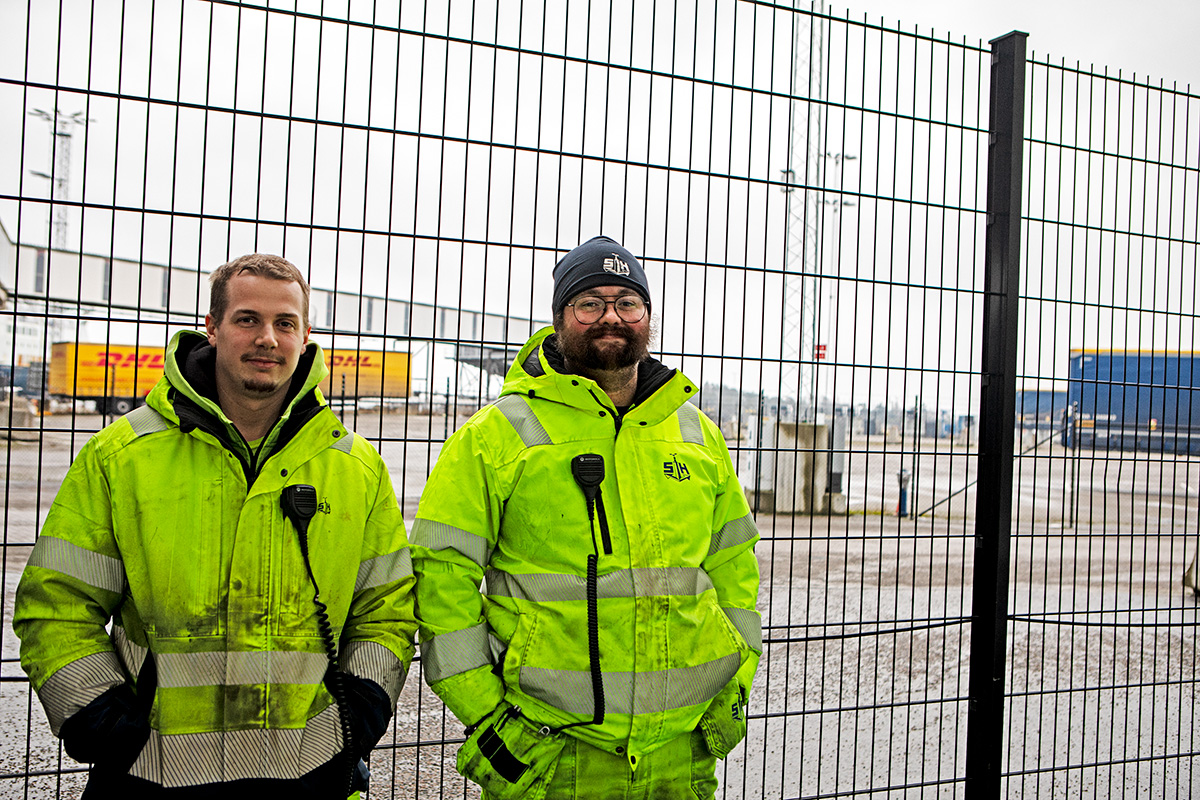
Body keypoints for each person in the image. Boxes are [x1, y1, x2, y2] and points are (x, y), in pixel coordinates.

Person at [13, 254, 417, 798]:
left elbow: (384, 610)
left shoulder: (355, 469)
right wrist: (98, 718)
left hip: (309, 766)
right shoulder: (122, 456)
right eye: (247, 319)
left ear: (306, 337)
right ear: (212, 329)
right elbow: (57, 603)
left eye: (284, 323)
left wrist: (359, 712)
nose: (267, 339)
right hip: (153, 769)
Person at [410, 235, 762, 799]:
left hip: (680, 754)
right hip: (552, 755)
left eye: (628, 302)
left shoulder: (697, 436)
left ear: (647, 317)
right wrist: (485, 714)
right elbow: (439, 582)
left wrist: (734, 681)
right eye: (589, 303)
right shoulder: (495, 437)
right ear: (559, 319)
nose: (611, 318)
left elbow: (736, 572)